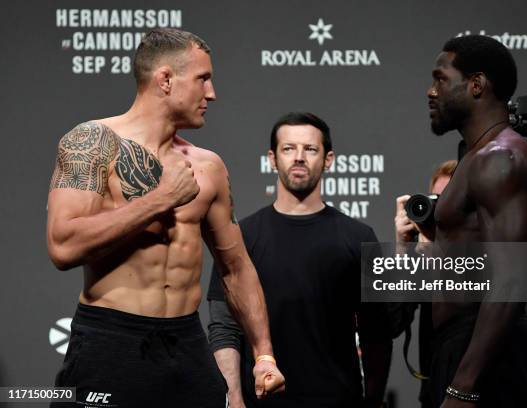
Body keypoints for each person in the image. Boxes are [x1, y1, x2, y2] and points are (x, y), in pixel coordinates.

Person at [47, 28, 284, 408]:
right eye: (203, 79)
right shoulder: (91, 142)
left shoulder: (207, 167)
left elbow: (236, 268)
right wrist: (159, 200)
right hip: (110, 341)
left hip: (185, 343)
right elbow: (63, 245)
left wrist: (264, 355)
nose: (212, 93)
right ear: (166, 80)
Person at [206, 112, 393, 408]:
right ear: (272, 158)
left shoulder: (359, 236)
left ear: (328, 159)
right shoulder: (243, 236)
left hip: (338, 400)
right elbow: (224, 327)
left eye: (310, 149)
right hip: (260, 402)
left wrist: (371, 401)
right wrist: (235, 400)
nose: (299, 158)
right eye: (289, 148)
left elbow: (377, 335)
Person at [423, 35, 527, 407]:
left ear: (476, 85)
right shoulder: (477, 158)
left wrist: (464, 386)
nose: (431, 92)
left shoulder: (500, 157)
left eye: (441, 79)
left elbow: (509, 278)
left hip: (489, 358)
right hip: (467, 348)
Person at [394, 160, 457, 408]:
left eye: (450, 200)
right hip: (433, 394)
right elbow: (393, 323)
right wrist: (402, 249)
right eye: (436, 200)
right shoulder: (422, 254)